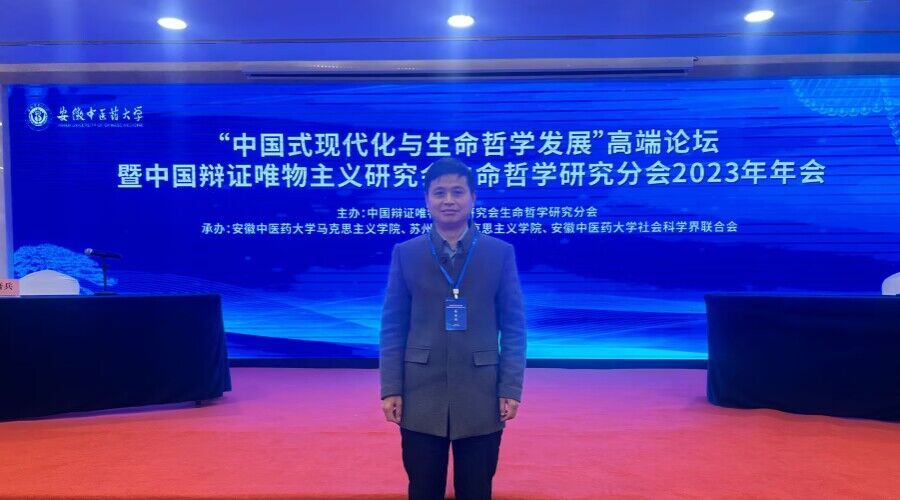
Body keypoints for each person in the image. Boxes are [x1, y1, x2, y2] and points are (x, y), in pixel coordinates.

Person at [379, 157, 527, 500]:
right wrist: (390, 388)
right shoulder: (406, 253)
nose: (449, 200)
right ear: (427, 199)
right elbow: (393, 327)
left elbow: (514, 327)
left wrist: (510, 387)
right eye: (440, 192)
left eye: (458, 192)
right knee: (423, 489)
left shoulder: (499, 253)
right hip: (420, 393)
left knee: (476, 489)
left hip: (481, 392)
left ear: (473, 197)